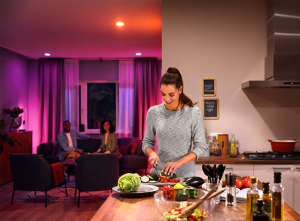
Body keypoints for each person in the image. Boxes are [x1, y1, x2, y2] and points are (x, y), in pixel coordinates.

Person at [142, 67, 208, 178]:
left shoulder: (193, 112)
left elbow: (201, 147)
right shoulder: (153, 112)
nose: (167, 99)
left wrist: (178, 163)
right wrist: (151, 153)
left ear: (180, 89)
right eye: (163, 94)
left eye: (171, 94)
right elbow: (147, 142)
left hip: (185, 177)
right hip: (159, 176)